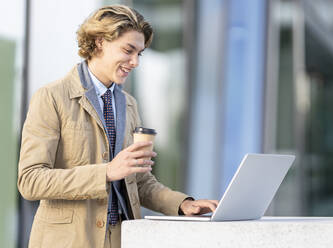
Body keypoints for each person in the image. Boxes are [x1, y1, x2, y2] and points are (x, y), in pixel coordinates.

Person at [18, 5, 218, 248]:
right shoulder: (51, 97)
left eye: (139, 54)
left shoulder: (129, 104)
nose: (135, 62)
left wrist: (182, 204)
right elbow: (30, 180)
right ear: (100, 42)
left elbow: (138, 181)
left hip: (121, 239)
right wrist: (106, 172)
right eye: (128, 50)